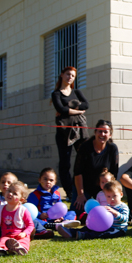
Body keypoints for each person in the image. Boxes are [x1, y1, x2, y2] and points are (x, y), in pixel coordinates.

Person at [51, 66, 89, 199]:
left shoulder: (77, 92)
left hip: (79, 130)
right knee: (65, 163)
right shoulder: (56, 94)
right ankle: (69, 192)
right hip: (64, 132)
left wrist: (68, 108)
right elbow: (60, 109)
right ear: (62, 75)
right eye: (67, 74)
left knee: (83, 160)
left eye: (72, 76)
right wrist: (77, 110)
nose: (70, 77)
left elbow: (86, 105)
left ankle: (79, 188)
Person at [73, 120, 119, 213]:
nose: (102, 134)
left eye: (105, 132)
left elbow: (114, 173)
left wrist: (111, 193)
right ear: (95, 132)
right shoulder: (85, 147)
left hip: (103, 187)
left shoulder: (112, 148)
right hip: (84, 187)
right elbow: (77, 172)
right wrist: (80, 195)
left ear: (110, 134)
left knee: (109, 210)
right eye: (100, 131)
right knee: (77, 211)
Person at [57, 180, 129, 241]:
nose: (112, 199)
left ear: (121, 194)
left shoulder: (123, 207)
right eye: (108, 196)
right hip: (104, 227)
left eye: (114, 196)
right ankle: (70, 231)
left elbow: (124, 219)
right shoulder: (107, 206)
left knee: (102, 234)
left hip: (117, 229)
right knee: (87, 228)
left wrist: (115, 212)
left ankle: (84, 236)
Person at [0, 181, 34, 256]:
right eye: (9, 191)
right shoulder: (1, 208)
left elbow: (30, 225)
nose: (10, 194)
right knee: (2, 241)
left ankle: (20, 248)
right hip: (6, 235)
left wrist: (25, 233)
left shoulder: (23, 210)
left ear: (21, 200)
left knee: (24, 241)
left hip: (19, 236)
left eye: (15, 193)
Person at [27, 167, 76, 239]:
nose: (48, 182)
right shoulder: (34, 195)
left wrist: (60, 216)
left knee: (72, 213)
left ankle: (65, 222)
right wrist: (40, 215)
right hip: (43, 220)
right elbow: (30, 210)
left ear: (55, 182)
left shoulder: (57, 194)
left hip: (55, 219)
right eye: (45, 179)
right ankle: (51, 225)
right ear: (39, 180)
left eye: (51, 180)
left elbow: (60, 207)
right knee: (32, 220)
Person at [0, 172, 17, 236]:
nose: (5, 184)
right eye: (3, 182)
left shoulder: (17, 199)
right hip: (0, 226)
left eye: (9, 183)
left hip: (15, 224)